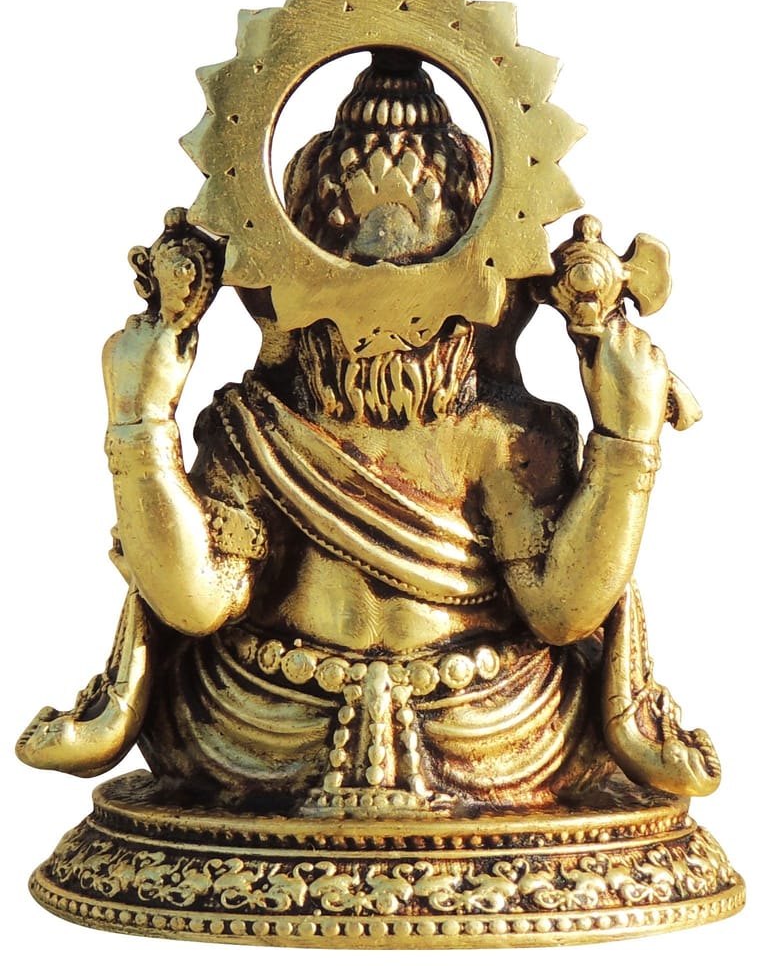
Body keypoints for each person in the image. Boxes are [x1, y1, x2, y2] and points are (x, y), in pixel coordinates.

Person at [17, 50, 719, 815]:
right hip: (265, 716)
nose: (383, 303)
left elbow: (561, 613)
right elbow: (197, 603)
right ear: (292, 267)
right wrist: (140, 421)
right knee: (200, 706)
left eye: (424, 266)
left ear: (482, 273)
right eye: (347, 259)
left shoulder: (504, 436)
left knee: (549, 714)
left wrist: (626, 439)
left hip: (485, 716)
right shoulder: (255, 426)